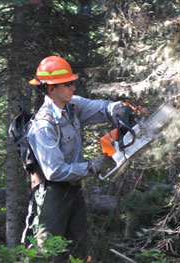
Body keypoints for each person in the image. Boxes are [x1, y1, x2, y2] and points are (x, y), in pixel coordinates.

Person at [26, 56, 127, 260]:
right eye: (68, 83)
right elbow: (54, 171)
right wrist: (92, 166)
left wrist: (119, 108)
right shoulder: (43, 125)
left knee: (78, 251)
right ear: (52, 88)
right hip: (51, 193)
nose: (73, 87)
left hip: (74, 190)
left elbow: (101, 108)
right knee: (49, 254)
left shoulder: (72, 107)